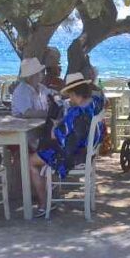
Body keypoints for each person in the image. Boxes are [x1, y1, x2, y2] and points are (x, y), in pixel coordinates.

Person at [28, 73, 105, 217]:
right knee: (42, 149)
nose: (70, 99)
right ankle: (50, 194)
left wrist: (55, 127)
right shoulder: (96, 102)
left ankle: (44, 203)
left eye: (71, 95)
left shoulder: (76, 113)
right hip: (87, 151)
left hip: (73, 155)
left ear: (76, 94)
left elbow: (59, 137)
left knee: (32, 160)